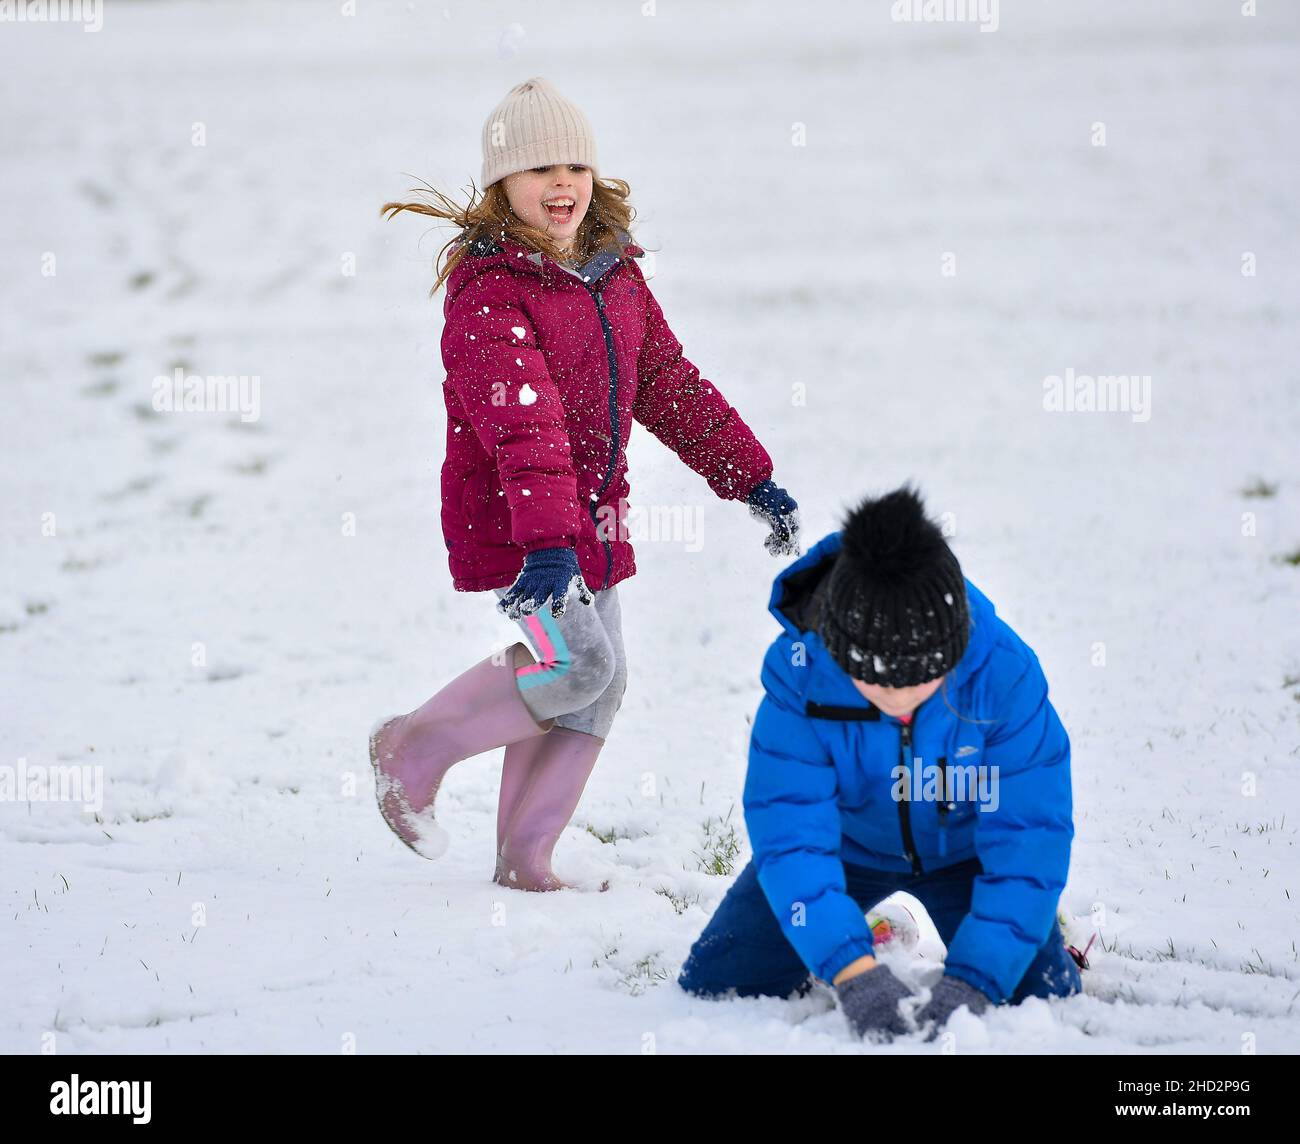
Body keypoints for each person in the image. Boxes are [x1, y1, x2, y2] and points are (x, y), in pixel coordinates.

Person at [370, 77, 800, 891]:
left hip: (592, 521)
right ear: (501, 184)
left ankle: (525, 860)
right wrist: (545, 545)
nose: (560, 182)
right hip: (525, 527)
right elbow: (522, 430)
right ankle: (412, 747)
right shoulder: (491, 292)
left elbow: (666, 383)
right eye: (538, 169)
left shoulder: (615, 275)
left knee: (598, 684)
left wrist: (751, 478)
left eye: (574, 163)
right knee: (578, 667)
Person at [679, 486, 1081, 1040]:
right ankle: (869, 930)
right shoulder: (800, 674)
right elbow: (791, 832)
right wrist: (851, 969)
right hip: (846, 852)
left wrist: (976, 979)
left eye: (921, 679)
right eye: (876, 682)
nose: (899, 699)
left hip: (966, 858)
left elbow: (1030, 836)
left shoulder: (1004, 675)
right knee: (719, 981)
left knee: (1041, 993)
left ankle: (975, 938)